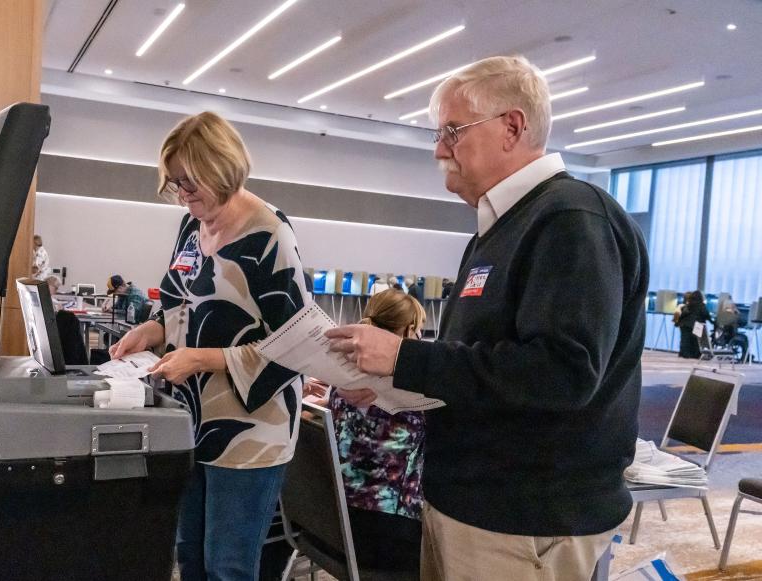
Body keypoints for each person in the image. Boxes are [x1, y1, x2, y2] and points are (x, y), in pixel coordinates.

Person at [324, 55, 649, 581]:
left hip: (525, 516)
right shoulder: (499, 229)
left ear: (512, 128)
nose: (438, 149)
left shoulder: (571, 219)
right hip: (472, 501)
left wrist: (405, 357)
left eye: (452, 131)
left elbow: (563, 373)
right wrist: (395, 384)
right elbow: (482, 365)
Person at [108, 111, 310, 581]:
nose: (182, 193)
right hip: (193, 417)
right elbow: (177, 305)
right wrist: (150, 333)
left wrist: (203, 359)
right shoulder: (191, 227)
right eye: (175, 183)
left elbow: (297, 343)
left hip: (251, 426)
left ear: (221, 168)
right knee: (190, 555)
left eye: (190, 182)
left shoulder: (269, 235)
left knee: (228, 565)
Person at [303, 290, 427, 571]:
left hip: (332, 525)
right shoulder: (414, 394)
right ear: (409, 331)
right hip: (389, 536)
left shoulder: (341, 379)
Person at [677, 291, 709, 358]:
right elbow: (705, 314)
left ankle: (684, 353)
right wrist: (712, 321)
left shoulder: (689, 304)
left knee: (685, 340)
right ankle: (695, 354)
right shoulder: (701, 305)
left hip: (685, 324)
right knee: (696, 341)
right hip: (697, 325)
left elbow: (683, 313)